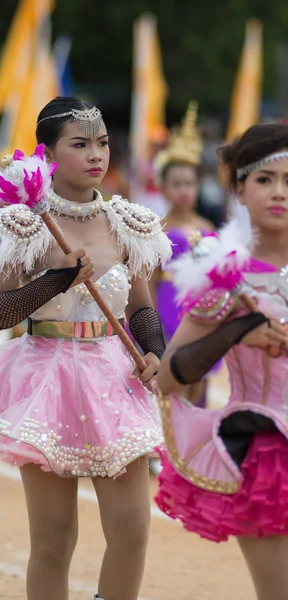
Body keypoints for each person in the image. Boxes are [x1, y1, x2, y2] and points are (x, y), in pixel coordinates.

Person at [0, 96, 172, 600]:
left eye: (101, 143)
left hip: (115, 382)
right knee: (55, 540)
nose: (97, 154)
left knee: (131, 530)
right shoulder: (22, 226)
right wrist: (56, 279)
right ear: (50, 155)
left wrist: (153, 353)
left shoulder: (130, 223)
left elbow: (141, 306)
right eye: (80, 144)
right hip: (44, 379)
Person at [155, 123, 288, 600]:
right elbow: (169, 379)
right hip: (268, 452)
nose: (279, 193)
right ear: (238, 188)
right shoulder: (223, 274)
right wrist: (238, 329)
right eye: (265, 179)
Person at [155, 101, 214, 407]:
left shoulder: (207, 227)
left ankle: (194, 444)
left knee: (199, 376)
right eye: (176, 183)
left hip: (200, 307)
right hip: (167, 303)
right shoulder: (156, 228)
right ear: (163, 187)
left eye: (189, 183)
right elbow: (149, 279)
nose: (183, 190)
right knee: (168, 373)